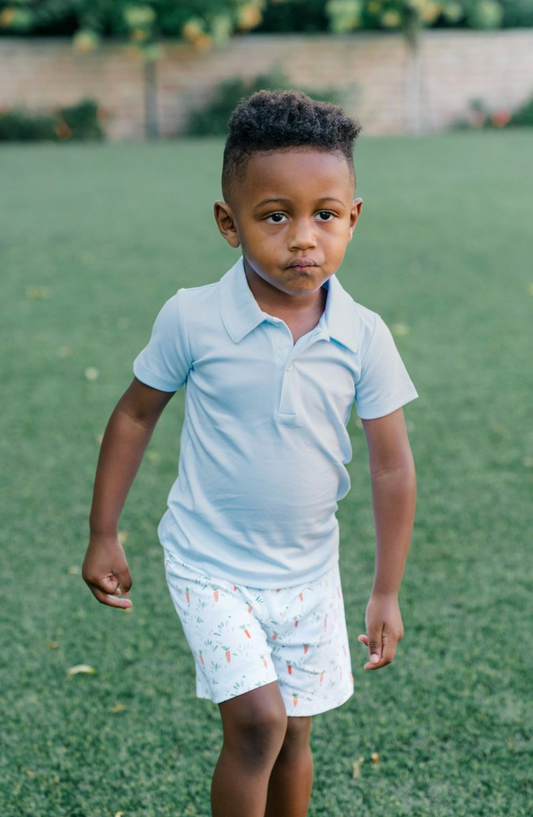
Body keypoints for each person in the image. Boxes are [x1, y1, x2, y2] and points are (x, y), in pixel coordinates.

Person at [83, 89, 418, 817]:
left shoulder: (362, 335)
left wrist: (384, 588)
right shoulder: (193, 317)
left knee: (295, 732)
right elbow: (135, 415)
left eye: (324, 215)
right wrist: (103, 531)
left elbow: (392, 464)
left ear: (352, 218)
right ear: (228, 224)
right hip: (211, 565)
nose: (304, 238)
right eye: (276, 215)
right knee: (258, 722)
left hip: (306, 572)